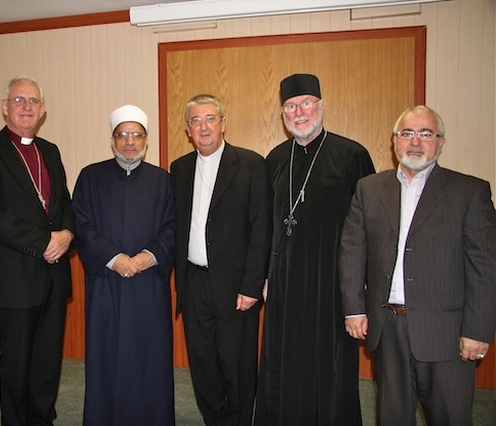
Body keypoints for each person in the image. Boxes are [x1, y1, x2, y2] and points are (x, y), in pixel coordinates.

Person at [339, 105, 496, 426]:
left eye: (426, 134)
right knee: (392, 418)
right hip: (388, 329)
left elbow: (485, 266)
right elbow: (352, 251)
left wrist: (478, 331)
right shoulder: (369, 188)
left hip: (447, 334)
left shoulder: (470, 191)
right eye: (407, 133)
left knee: (450, 417)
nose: (415, 141)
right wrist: (354, 309)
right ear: (394, 141)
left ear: (441, 142)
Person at [254, 74, 375, 425]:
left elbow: (369, 225)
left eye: (306, 103)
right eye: (290, 106)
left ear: (322, 107)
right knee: (284, 363)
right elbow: (265, 225)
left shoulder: (352, 155)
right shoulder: (275, 159)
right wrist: (263, 275)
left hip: (332, 282)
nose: (299, 112)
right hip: (286, 282)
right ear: (283, 114)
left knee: (330, 365)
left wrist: (362, 284)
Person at [0, 75, 75, 426]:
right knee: (16, 363)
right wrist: (46, 242)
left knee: (47, 362)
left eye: (33, 101)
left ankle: (42, 419)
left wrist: (68, 234)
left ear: (42, 110)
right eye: (19, 100)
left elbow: (64, 204)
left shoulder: (50, 151)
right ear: (4, 107)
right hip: (15, 277)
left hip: (53, 277)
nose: (26, 106)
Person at [171, 94, 272, 426]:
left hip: (235, 286)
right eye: (196, 121)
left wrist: (252, 286)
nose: (204, 127)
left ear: (223, 123)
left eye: (210, 118)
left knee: (237, 365)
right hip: (194, 281)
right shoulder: (180, 168)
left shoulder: (251, 164)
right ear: (188, 129)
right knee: (202, 363)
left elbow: (261, 231)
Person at [72, 104, 176, 425]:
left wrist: (148, 257)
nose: (129, 142)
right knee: (107, 356)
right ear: (113, 140)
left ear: (146, 140)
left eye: (136, 135)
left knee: (150, 356)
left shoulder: (163, 180)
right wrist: (115, 259)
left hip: (149, 285)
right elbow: (83, 225)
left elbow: (174, 227)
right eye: (122, 135)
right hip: (107, 283)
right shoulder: (91, 176)